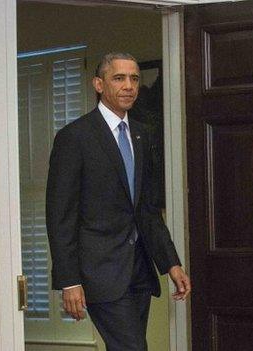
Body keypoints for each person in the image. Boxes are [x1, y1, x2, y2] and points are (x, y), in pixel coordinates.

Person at [46, 52, 191, 350]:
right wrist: (69, 281)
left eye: (134, 79)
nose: (129, 86)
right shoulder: (75, 137)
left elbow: (147, 209)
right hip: (99, 272)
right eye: (119, 78)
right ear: (99, 84)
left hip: (139, 269)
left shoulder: (141, 134)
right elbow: (60, 215)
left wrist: (171, 263)